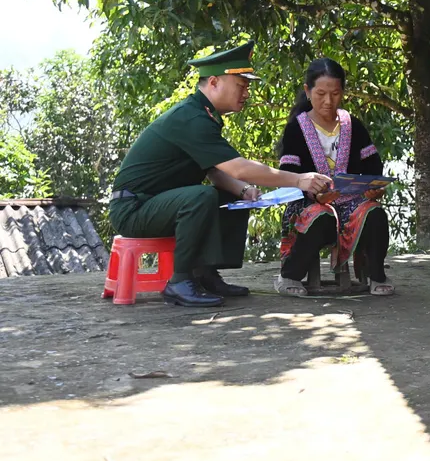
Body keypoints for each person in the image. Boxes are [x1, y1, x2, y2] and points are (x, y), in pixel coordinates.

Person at [109, 42, 333, 307]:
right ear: (214, 82)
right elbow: (238, 168)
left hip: (156, 204)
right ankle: (179, 282)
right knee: (201, 196)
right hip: (134, 208)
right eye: (241, 86)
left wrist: (243, 190)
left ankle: (205, 273)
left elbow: (214, 170)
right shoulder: (191, 118)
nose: (246, 93)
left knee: (228, 197)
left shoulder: (204, 116)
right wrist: (298, 179)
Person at [275, 58, 393, 297]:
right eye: (321, 94)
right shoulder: (296, 129)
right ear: (308, 91)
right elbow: (289, 173)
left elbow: (373, 166)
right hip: (308, 203)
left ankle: (377, 275)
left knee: (375, 213)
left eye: (335, 93)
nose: (328, 101)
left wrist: (374, 188)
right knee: (319, 217)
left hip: (351, 202)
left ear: (343, 92)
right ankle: (290, 275)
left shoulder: (353, 126)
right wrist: (313, 192)